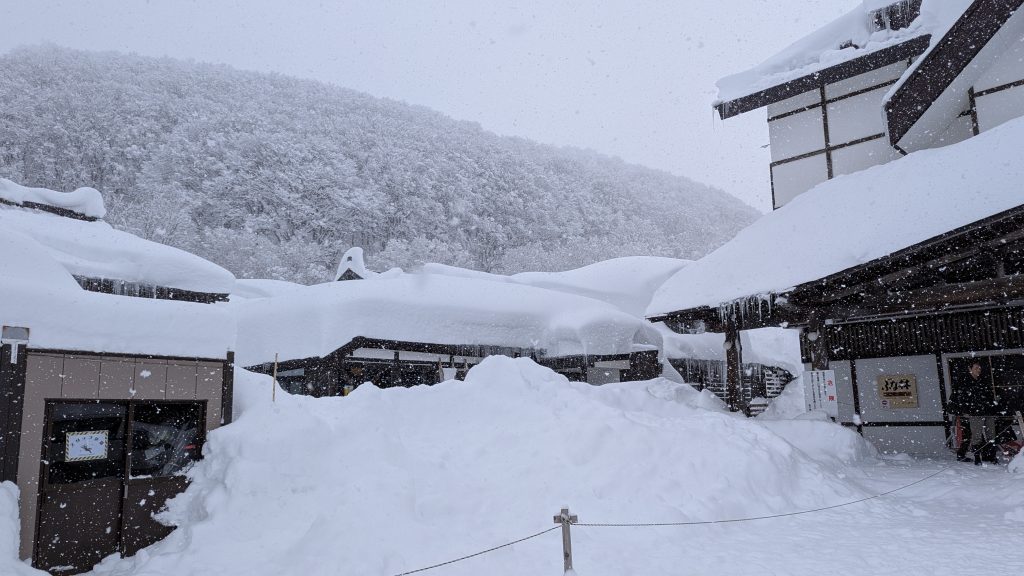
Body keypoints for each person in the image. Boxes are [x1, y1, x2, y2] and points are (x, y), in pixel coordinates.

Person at [948, 360, 999, 464]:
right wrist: (964, 411)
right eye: (976, 368)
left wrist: (992, 407)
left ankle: (989, 456)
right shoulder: (963, 382)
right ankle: (974, 457)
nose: (978, 370)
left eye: (979, 368)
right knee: (972, 436)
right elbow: (958, 398)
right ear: (969, 369)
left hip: (985, 412)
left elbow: (989, 397)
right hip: (971, 413)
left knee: (990, 435)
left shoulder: (983, 381)